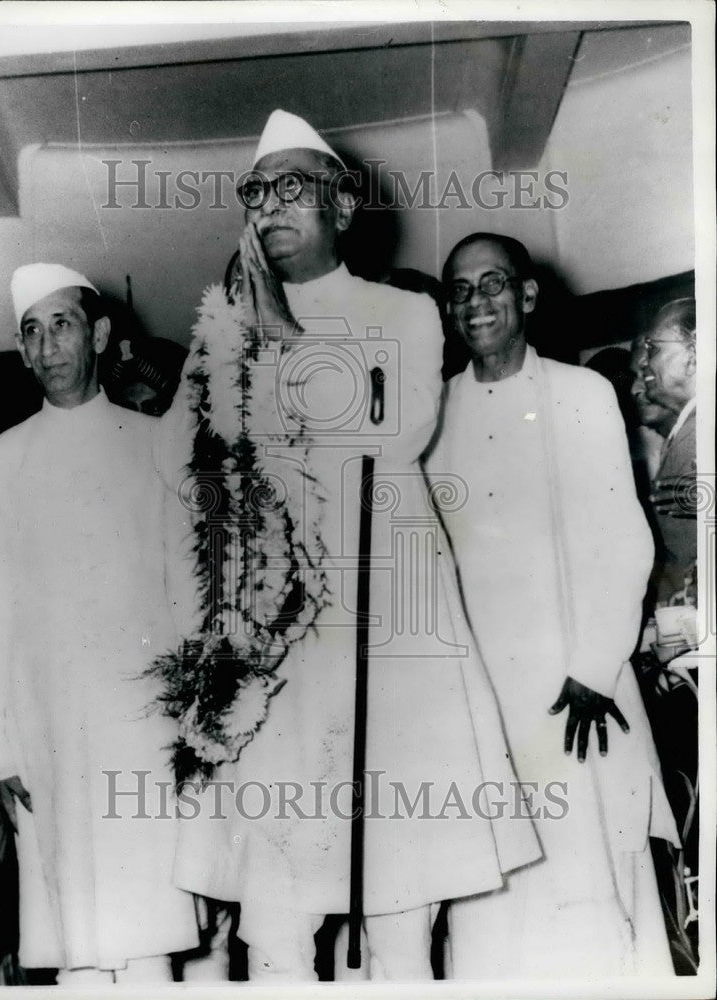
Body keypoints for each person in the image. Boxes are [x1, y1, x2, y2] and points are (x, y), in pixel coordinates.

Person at [162, 112, 541, 982]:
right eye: (256, 191)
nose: (268, 207)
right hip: (277, 649)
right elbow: (185, 472)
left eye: (293, 187)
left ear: (344, 206)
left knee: (400, 909)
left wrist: (278, 332)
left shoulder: (405, 313)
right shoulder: (218, 332)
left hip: (392, 635)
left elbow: (390, 431)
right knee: (277, 917)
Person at [427, 232, 680, 977]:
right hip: (481, 705)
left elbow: (625, 544)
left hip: (578, 698)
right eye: (461, 290)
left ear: (528, 296)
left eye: (493, 284)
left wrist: (593, 671)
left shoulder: (583, 395)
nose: (477, 303)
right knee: (493, 907)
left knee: (589, 888)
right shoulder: (431, 416)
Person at [0, 264, 199, 984]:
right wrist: (0, 753)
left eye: (60, 324)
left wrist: (196, 725)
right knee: (74, 943)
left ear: (99, 334)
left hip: (144, 732)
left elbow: (187, 596)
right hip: (50, 734)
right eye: (30, 332)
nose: (45, 347)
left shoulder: (156, 445)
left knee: (149, 940)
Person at [632, 299, 697, 603]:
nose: (644, 362)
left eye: (653, 349)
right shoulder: (689, 430)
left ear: (694, 355)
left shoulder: (702, 432)